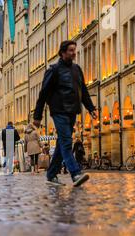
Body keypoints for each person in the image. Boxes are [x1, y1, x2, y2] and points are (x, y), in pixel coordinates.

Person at [34, 40, 98, 187]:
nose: (73, 53)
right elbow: (43, 94)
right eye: (70, 50)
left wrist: (91, 108)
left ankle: (51, 174)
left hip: (72, 111)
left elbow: (83, 91)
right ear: (62, 53)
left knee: (61, 144)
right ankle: (75, 173)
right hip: (59, 111)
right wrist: (37, 116)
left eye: (74, 50)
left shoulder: (77, 69)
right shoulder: (54, 70)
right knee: (67, 142)